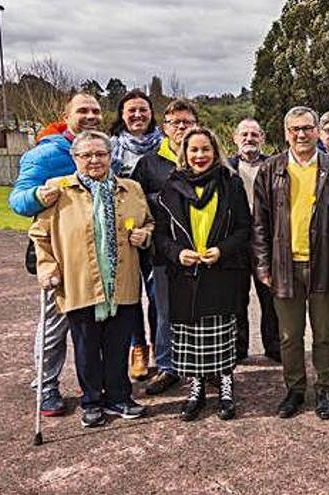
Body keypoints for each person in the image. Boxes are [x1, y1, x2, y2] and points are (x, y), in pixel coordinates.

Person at [29, 130, 154, 428]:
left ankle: (119, 396)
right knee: (86, 348)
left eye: (101, 154)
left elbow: (148, 221)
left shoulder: (131, 188)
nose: (95, 160)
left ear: (111, 157)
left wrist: (145, 235)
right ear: (75, 158)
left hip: (121, 282)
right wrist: (47, 268)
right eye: (87, 155)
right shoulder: (58, 190)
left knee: (118, 343)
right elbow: (39, 235)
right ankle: (92, 401)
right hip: (79, 282)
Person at [251, 106, 329, 420]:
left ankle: (323, 387)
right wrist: (263, 265)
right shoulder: (270, 170)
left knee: (324, 334)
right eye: (295, 129)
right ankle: (294, 389)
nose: (302, 134)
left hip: (323, 264)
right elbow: (260, 224)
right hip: (284, 265)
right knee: (289, 335)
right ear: (286, 133)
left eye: (307, 128)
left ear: (317, 131)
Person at [9, 92, 103, 416]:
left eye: (95, 110)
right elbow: (18, 200)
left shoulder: (104, 148)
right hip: (59, 254)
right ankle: (46, 386)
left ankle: (96, 385)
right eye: (83, 110)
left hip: (97, 251)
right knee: (55, 323)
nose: (90, 115)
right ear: (67, 115)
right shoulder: (46, 153)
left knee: (93, 322)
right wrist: (38, 194)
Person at [153, 127, 252, 421]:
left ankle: (225, 386)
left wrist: (222, 250)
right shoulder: (171, 186)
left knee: (221, 333)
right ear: (184, 153)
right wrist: (176, 253)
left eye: (205, 150)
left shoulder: (230, 184)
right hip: (184, 273)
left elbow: (244, 228)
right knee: (191, 336)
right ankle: (195, 388)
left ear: (215, 151)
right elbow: (159, 234)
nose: (199, 156)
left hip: (220, 271)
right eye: (193, 150)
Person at [133, 99, 199, 396]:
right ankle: (167, 366)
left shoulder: (202, 156)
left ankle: (202, 365)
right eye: (175, 123)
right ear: (165, 127)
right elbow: (135, 202)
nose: (181, 128)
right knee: (164, 309)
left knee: (200, 307)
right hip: (163, 250)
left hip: (200, 249)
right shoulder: (149, 163)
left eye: (187, 122)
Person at [108, 89, 164, 380]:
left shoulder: (165, 146)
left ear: (152, 113)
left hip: (154, 232)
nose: (138, 115)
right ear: (122, 115)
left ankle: (160, 347)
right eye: (132, 110)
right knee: (129, 296)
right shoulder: (110, 148)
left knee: (157, 296)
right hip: (122, 234)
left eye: (143, 109)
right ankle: (137, 348)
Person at [227, 118, 281, 362]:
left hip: (266, 239)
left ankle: (273, 344)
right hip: (236, 241)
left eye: (254, 134)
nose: (249, 139)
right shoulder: (225, 168)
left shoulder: (275, 165)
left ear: (262, 138)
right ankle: (238, 348)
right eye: (244, 134)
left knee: (269, 295)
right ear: (235, 138)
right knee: (237, 296)